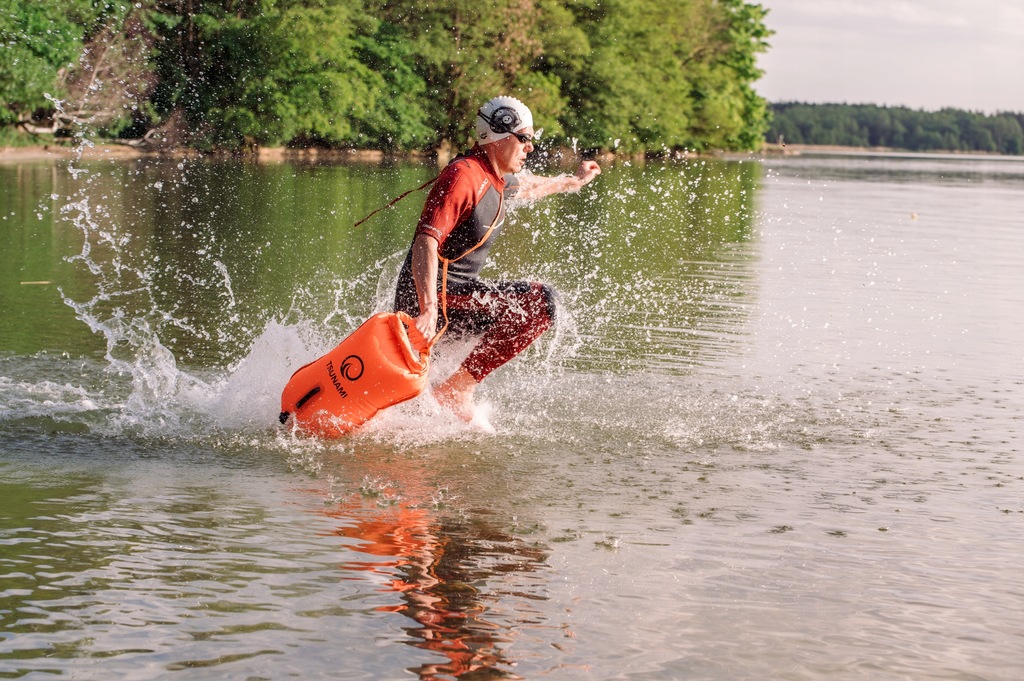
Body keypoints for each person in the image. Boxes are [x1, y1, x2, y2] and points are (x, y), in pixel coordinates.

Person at [393, 95, 601, 422]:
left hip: (457, 299)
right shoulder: (463, 176)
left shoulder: (496, 177)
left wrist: (572, 182)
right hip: (432, 301)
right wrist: (429, 308)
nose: (530, 148)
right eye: (525, 138)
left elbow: (528, 186)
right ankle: (455, 392)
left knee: (531, 310)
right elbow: (425, 242)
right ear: (499, 134)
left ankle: (446, 389)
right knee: (539, 301)